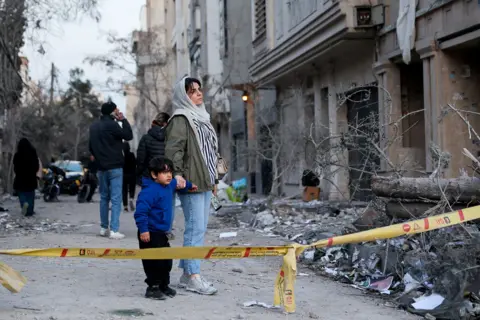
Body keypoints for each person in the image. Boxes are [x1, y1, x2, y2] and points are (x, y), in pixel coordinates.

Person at [165, 76, 219, 295]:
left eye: (199, 89)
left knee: (200, 228)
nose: (198, 93)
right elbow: (173, 150)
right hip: (191, 181)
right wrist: (177, 174)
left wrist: (215, 179)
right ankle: (192, 275)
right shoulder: (180, 119)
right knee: (195, 228)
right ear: (182, 96)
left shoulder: (202, 118)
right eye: (191, 91)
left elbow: (210, 152)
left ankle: (188, 273)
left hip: (205, 180)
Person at [134, 157, 197, 300]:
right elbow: (140, 213)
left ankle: (164, 285)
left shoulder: (169, 184)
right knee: (153, 262)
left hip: (162, 232)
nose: (169, 175)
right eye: (164, 172)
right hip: (149, 233)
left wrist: (189, 185)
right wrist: (144, 230)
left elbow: (179, 182)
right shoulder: (149, 191)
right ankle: (153, 287)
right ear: (154, 175)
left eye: (170, 172)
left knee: (166, 261)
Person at [89, 101, 133, 239]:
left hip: (101, 168)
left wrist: (98, 159)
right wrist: (123, 120)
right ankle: (114, 230)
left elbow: (91, 146)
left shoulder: (94, 126)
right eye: (116, 109)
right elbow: (128, 135)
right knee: (115, 199)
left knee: (103, 198)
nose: (118, 111)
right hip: (115, 167)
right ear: (111, 112)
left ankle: (103, 228)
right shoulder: (113, 125)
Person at [136, 112, 170, 182]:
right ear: (166, 123)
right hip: (166, 176)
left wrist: (138, 173)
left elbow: (140, 159)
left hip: (149, 175)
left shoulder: (145, 138)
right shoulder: (171, 138)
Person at [13, 138, 40, 216]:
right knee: (30, 196)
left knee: (22, 194)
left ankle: (24, 204)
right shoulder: (33, 153)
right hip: (31, 179)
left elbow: (15, 168)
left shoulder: (17, 155)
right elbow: (36, 166)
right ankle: (30, 211)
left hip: (20, 179)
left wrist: (19, 173)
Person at [122, 142, 136, 212]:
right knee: (132, 188)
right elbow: (134, 164)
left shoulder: (121, 156)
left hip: (123, 175)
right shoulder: (132, 155)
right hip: (132, 175)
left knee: (124, 191)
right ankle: (131, 198)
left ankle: (125, 207)